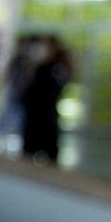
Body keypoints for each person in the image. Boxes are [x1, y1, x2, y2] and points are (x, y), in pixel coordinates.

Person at [20, 35, 71, 164]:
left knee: (48, 147)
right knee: (29, 148)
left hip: (46, 115)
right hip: (34, 115)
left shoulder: (56, 67)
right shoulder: (35, 66)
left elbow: (55, 89)